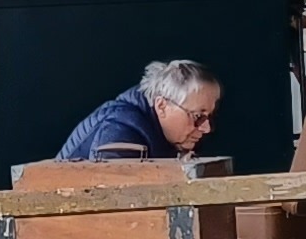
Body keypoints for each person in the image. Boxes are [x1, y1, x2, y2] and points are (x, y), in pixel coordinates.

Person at [57, 55, 219, 164]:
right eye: (198, 116)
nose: (206, 128)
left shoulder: (175, 137)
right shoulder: (119, 132)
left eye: (209, 117)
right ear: (162, 106)